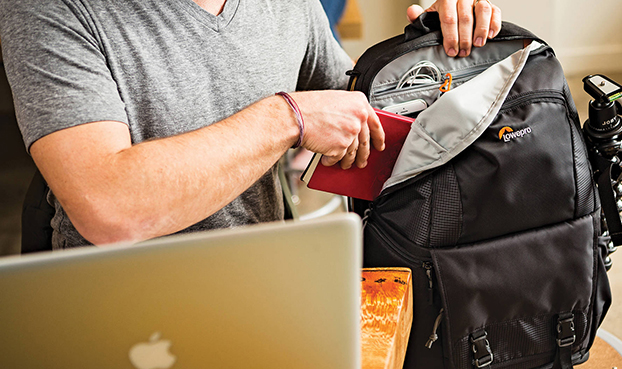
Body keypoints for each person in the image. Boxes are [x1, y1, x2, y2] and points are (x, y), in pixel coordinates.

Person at [0, 0, 501, 250]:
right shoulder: (49, 9)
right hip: (120, 311)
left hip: (264, 280)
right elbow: (109, 207)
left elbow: (368, 121)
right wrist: (287, 118)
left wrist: (437, 50)